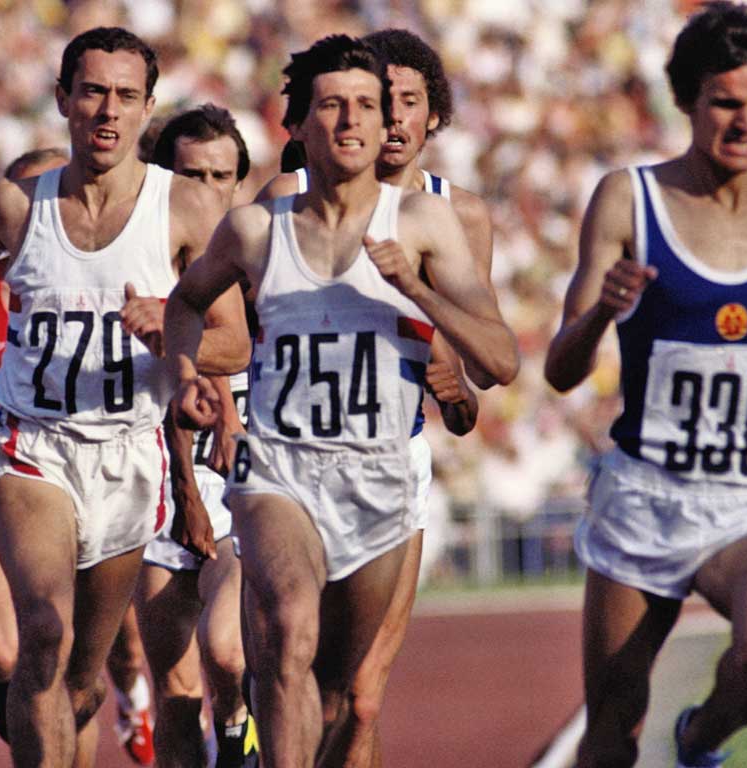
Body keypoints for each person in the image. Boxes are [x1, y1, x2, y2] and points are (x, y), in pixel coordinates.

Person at [0, 26, 249, 768]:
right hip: (34, 445)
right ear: (63, 99)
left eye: (125, 96)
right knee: (44, 637)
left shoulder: (183, 210)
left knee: (83, 682)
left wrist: (168, 334)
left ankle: (62, 710)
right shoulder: (18, 204)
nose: (107, 111)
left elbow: (236, 344)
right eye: (92, 92)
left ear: (146, 106)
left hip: (130, 456)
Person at [165, 34, 517, 768]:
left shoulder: (427, 224)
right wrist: (185, 372)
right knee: (289, 633)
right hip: (280, 471)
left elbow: (500, 362)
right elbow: (188, 303)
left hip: (383, 474)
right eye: (333, 105)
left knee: (342, 699)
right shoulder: (261, 224)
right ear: (299, 123)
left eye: (371, 105)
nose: (357, 122)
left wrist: (416, 292)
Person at [544, 4, 747, 767]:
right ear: (687, 102)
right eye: (725, 104)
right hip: (647, 495)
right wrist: (602, 314)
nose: (745, 123)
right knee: (611, 728)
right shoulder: (628, 199)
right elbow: (561, 369)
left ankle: (699, 741)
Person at [256, 28, 487, 767]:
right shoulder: (285, 203)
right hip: (286, 460)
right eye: (370, 102)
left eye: (404, 104)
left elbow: (474, 370)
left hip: (394, 462)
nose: (386, 121)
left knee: (360, 698)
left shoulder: (458, 215)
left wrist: (454, 389)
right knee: (286, 654)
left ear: (431, 118)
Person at [0, 145, 157, 766]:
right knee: (12, 647)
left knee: (88, 670)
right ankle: (24, 699)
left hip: (108, 465)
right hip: (14, 468)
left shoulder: (112, 266)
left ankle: (115, 697)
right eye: (21, 202)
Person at [136, 104, 258, 768]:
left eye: (222, 175)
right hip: (154, 472)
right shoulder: (132, 247)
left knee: (227, 652)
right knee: (177, 698)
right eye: (190, 175)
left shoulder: (263, 252)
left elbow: (235, 343)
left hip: (238, 473)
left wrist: (164, 325)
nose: (207, 191)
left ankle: (240, 724)